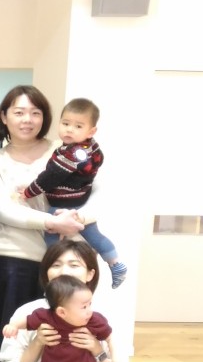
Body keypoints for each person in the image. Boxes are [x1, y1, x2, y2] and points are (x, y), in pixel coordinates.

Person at [0, 85, 85, 362]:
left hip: (62, 260)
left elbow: (87, 194)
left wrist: (75, 219)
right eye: (19, 112)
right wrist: (51, 222)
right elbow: (0, 208)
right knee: (12, 333)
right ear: (4, 117)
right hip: (10, 258)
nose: (27, 119)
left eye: (35, 112)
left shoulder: (63, 152)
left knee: (63, 334)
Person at [22, 98, 127, 288]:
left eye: (78, 126)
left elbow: (50, 177)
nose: (70, 130)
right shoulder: (91, 146)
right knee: (94, 236)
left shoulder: (71, 153)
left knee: (52, 238)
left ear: (91, 131)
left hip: (63, 204)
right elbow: (99, 160)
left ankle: (54, 274)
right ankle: (116, 263)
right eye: (66, 124)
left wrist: (29, 192)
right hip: (81, 201)